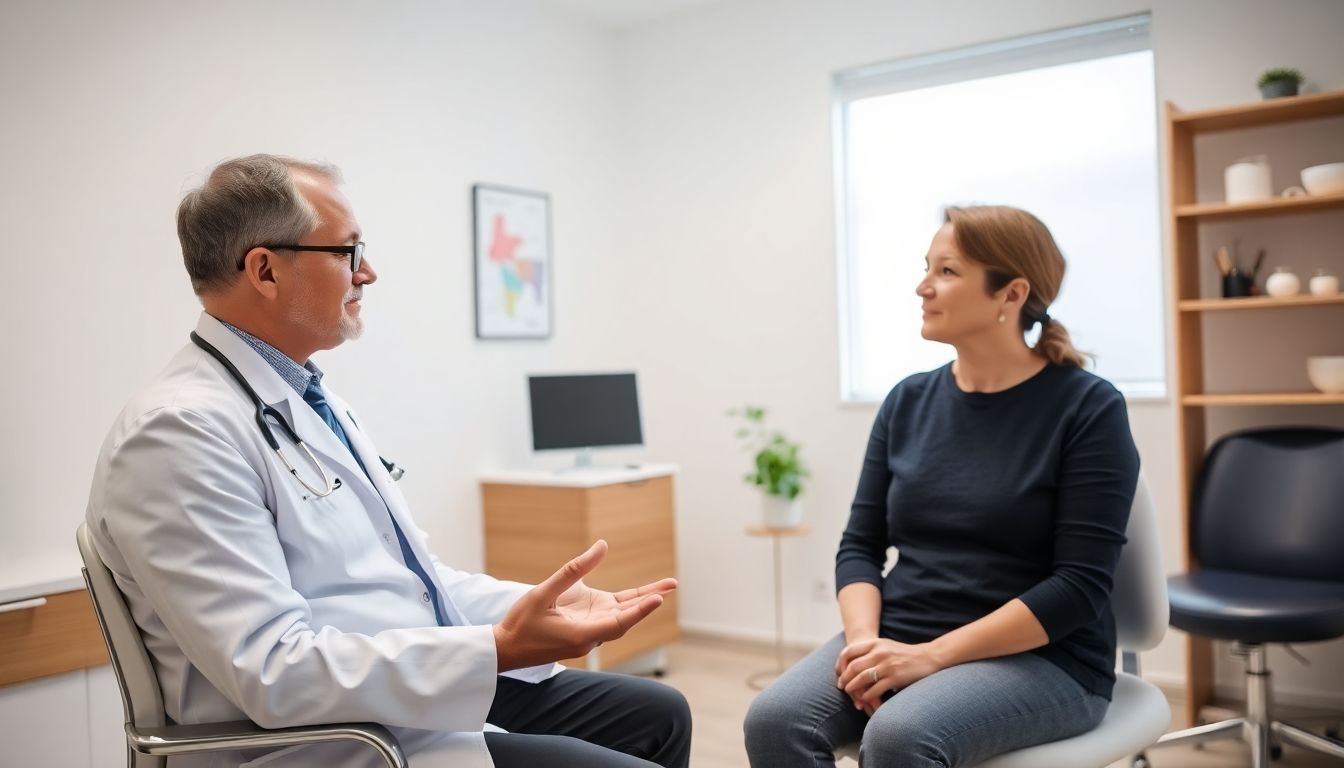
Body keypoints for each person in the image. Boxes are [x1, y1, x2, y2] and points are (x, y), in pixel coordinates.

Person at [85, 155, 691, 768]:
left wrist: (535, 606)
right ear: (264, 270)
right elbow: (272, 671)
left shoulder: (311, 403)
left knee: (659, 715)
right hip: (327, 739)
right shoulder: (178, 433)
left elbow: (414, 579)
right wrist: (498, 649)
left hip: (397, 692)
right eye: (347, 253)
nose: (367, 273)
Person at [744, 205, 1140, 767]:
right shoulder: (907, 401)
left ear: (1011, 294)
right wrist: (864, 645)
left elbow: (1078, 587)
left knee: (900, 735)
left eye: (947, 272)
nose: (922, 287)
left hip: (1046, 657)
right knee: (775, 720)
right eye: (926, 268)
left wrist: (931, 657)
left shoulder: (1088, 407)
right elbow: (859, 546)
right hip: (903, 632)